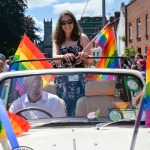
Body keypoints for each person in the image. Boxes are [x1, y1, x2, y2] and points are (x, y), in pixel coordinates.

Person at [52, 10, 93, 116]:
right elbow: (55, 58)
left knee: (81, 108)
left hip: (80, 80)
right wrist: (63, 56)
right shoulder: (57, 40)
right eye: (63, 23)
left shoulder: (82, 38)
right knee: (62, 108)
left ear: (74, 23)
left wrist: (85, 56)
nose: (67, 25)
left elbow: (91, 60)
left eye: (69, 22)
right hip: (63, 81)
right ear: (60, 25)